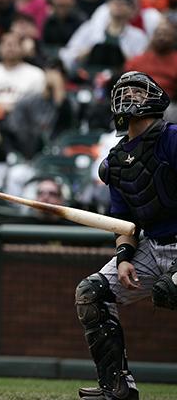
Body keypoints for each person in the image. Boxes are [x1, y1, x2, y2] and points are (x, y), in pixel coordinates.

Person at [75, 71, 177, 400]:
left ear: (154, 98)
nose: (128, 94)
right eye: (123, 90)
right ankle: (116, 387)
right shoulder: (116, 162)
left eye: (136, 90)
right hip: (153, 247)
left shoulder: (172, 138)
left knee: (169, 290)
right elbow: (124, 223)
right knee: (90, 294)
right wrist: (123, 258)